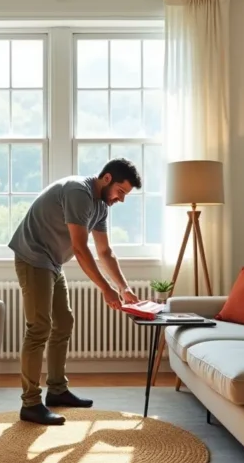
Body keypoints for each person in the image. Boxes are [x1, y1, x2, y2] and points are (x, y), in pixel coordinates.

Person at [8, 158, 143, 425]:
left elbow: (105, 251)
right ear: (106, 179)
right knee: (39, 327)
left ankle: (56, 390)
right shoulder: (77, 191)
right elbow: (81, 249)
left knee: (64, 322)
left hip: (53, 261)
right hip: (33, 257)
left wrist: (123, 288)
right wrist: (106, 289)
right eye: (121, 192)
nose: (121, 199)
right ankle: (30, 403)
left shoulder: (101, 206)